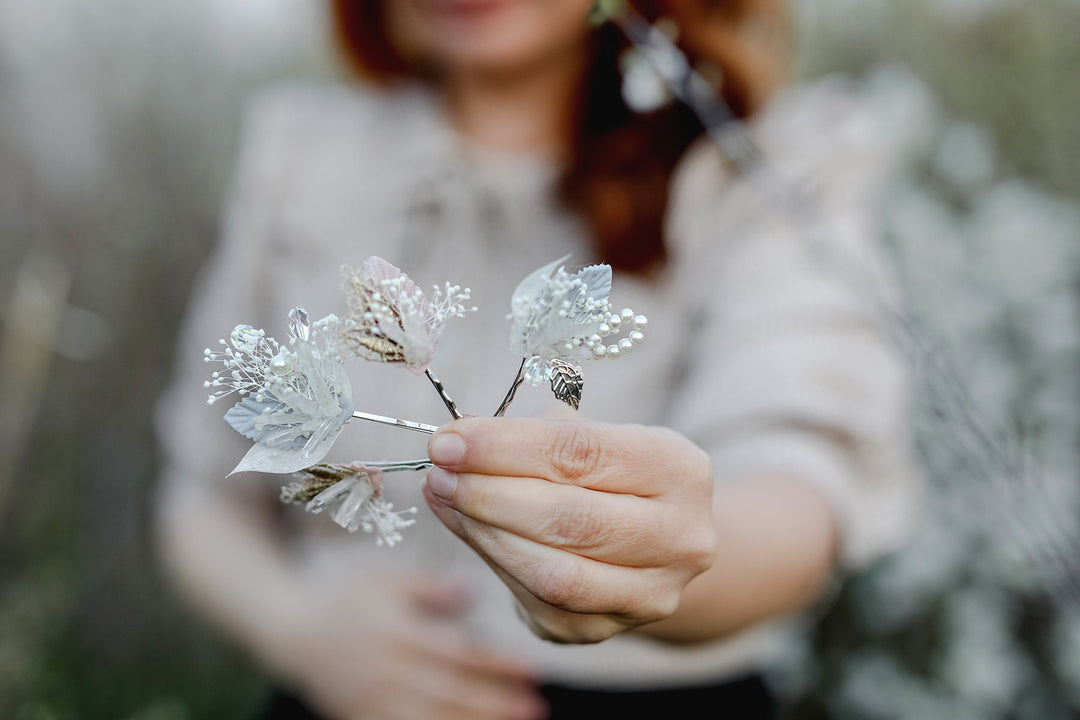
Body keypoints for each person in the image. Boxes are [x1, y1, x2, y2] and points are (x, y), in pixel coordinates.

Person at [154, 1, 919, 718]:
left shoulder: (762, 163)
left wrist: (657, 561)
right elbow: (202, 492)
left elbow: (797, 481)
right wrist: (302, 632)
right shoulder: (304, 156)